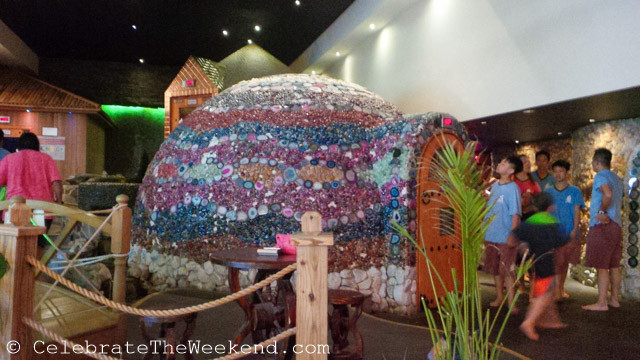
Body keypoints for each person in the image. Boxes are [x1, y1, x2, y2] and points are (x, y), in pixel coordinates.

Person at [512, 193, 568, 340]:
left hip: (533, 261)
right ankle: (529, 322)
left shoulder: (528, 223)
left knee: (544, 290)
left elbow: (513, 237)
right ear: (551, 207)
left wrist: (522, 246)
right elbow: (562, 242)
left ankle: (549, 320)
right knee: (545, 293)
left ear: (534, 207)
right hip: (547, 261)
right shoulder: (553, 224)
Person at [0, 132, 62, 249]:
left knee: (14, 247)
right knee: (38, 246)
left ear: (19, 145)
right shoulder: (46, 159)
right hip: (43, 211)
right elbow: (57, 183)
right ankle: (36, 267)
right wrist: (58, 203)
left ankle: (17, 267)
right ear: (37, 145)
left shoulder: (9, 159)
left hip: (14, 210)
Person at [582, 148, 624, 311]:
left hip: (603, 225)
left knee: (602, 266)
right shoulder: (617, 178)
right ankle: (614, 299)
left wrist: (600, 211)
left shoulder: (601, 176)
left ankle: (601, 303)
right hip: (616, 225)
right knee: (614, 265)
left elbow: (607, 194)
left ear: (597, 162)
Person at [484, 156, 522, 311]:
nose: (500, 164)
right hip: (491, 234)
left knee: (507, 270)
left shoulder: (513, 188)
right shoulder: (494, 186)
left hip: (506, 236)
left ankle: (511, 302)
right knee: (494, 269)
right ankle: (499, 296)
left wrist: (513, 234)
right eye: (501, 162)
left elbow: (515, 214)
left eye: (504, 163)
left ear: (511, 171)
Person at [546, 160, 584, 300]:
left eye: (560, 171)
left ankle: (561, 288)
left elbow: (576, 211)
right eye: (555, 171)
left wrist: (575, 229)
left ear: (566, 172)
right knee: (556, 261)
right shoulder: (548, 191)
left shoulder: (575, 191)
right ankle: (556, 290)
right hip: (553, 233)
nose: (557, 174)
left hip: (568, 232)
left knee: (565, 262)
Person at [514, 155, 541, 221]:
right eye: (524, 162)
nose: (528, 164)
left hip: (529, 218)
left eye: (528, 162)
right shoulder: (511, 182)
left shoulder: (533, 183)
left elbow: (540, 201)